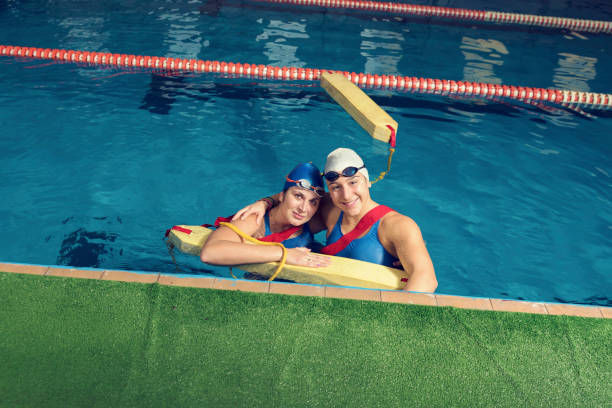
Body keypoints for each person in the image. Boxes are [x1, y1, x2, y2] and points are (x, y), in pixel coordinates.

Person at [234, 148, 437, 292]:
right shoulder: (330, 209)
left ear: (368, 180)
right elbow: (295, 196)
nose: (346, 195)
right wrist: (265, 202)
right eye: (336, 187)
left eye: (353, 182)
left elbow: (426, 279)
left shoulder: (397, 225)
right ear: (329, 191)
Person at [200, 163, 331, 268]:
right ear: (281, 195)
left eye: (313, 201)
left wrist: (267, 201)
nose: (303, 209)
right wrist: (284, 254)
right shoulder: (255, 218)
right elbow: (210, 253)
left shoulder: (312, 220)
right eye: (298, 196)